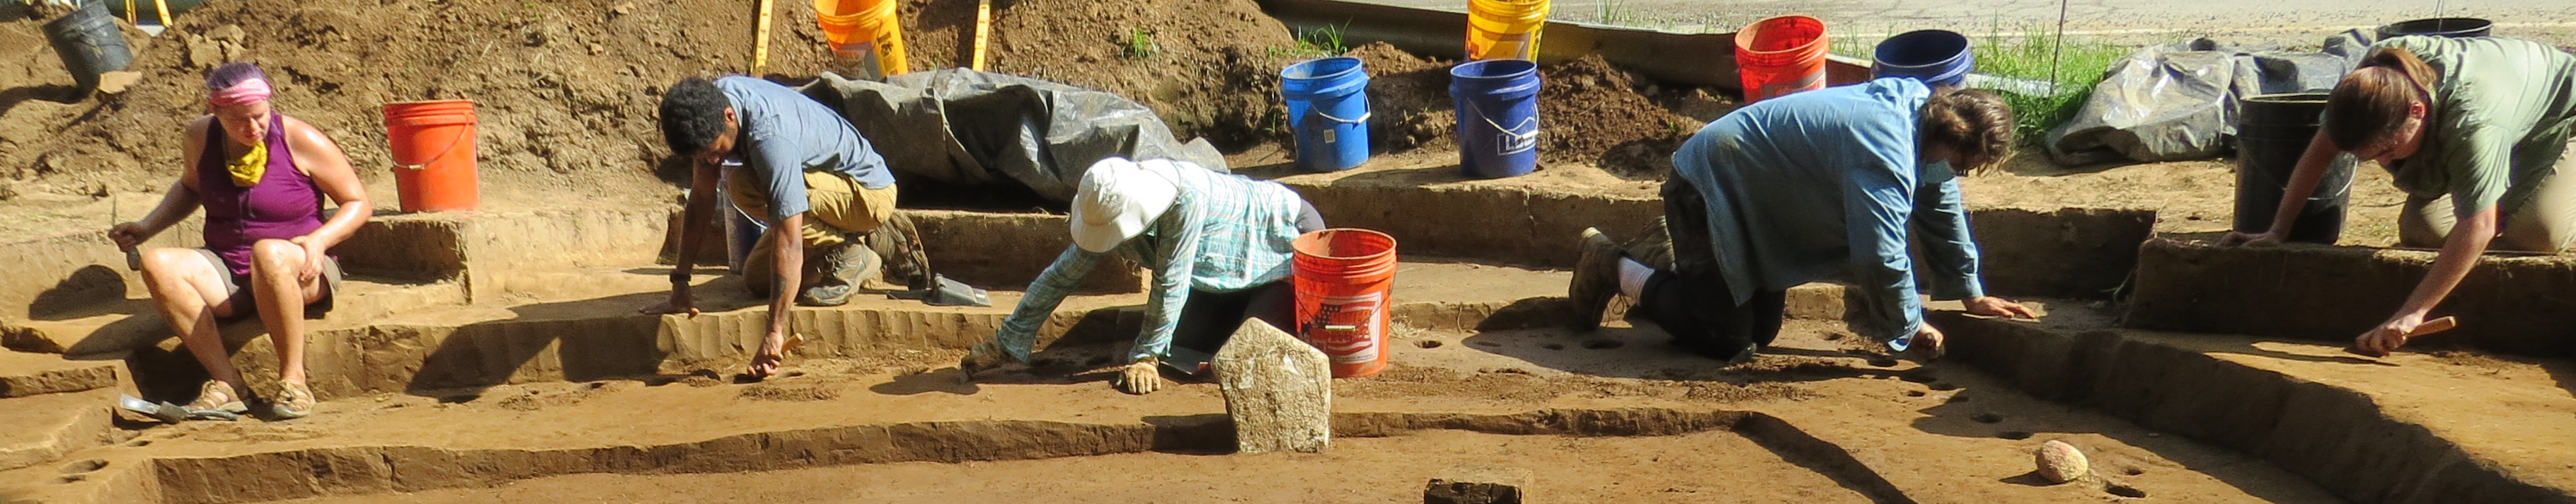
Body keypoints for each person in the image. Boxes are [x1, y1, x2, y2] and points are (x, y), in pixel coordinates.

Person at [1567, 78, 2041, 363]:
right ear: (1949, 136)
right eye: (1960, 165)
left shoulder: (1922, 118)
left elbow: (1940, 203)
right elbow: (1879, 254)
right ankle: (1615, 265)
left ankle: (1674, 254)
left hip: (1757, 204)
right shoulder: (1885, 149)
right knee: (1726, 340)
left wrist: (1970, 291)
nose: (1955, 176)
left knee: (1761, 333)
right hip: (1707, 186)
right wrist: (1909, 324)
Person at [2221, 36, 2576, 355]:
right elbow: (2318, 155)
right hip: (2487, 116)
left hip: (2558, 117)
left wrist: (2412, 314)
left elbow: (2479, 226)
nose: (2386, 163)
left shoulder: (2474, 122)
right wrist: (2277, 231)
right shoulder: (2370, 89)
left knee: (2535, 235)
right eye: (2373, 157)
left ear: (2417, 112)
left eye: (2388, 150)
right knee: (2424, 232)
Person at [108, 62, 371, 420]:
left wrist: (319, 241)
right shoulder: (200, 137)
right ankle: (229, 383)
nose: (252, 127)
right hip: (229, 268)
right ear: (215, 111)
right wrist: (148, 226)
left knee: (269, 252)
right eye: (238, 120)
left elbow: (358, 202)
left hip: (299, 266)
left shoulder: (300, 139)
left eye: (259, 116)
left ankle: (294, 380)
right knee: (158, 263)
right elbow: (190, 187)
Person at [957, 157, 1326, 394]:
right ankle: (1234, 306)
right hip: (1218, 270)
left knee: (1246, 348)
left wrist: (1146, 356)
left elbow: (1171, 279)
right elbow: (1062, 275)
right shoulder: (1111, 205)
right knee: (1184, 343)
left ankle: (1263, 306)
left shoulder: (1184, 200)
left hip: (1286, 242)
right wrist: (1007, 340)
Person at [647, 75, 929, 379]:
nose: (712, 160)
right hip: (823, 184)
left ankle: (856, 244)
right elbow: (701, 200)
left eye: (715, 151)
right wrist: (681, 282)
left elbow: (789, 238)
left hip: (867, 192)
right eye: (703, 157)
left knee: (743, 186)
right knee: (756, 279)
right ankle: (852, 245)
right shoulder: (711, 106)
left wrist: (774, 332)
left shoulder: (770, 138)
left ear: (729, 117)